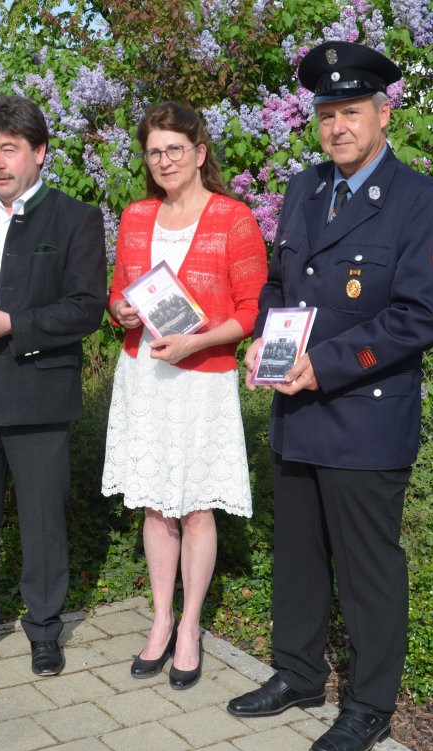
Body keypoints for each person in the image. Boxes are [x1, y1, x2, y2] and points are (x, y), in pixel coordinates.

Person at [226, 42, 433, 751]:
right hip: (296, 412)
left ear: (381, 114)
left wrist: (320, 367)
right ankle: (297, 675)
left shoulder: (422, 200)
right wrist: (264, 346)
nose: (337, 127)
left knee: (366, 570)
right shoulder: (303, 190)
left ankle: (368, 706)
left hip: (363, 413)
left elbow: (423, 316)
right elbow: (276, 286)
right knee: (296, 556)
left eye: (350, 112)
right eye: (326, 114)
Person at [0, 95, 107, 675]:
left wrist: (18, 325)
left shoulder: (74, 218)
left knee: (41, 518)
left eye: (9, 149)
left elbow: (86, 308)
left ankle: (43, 630)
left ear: (39, 153)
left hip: (36, 391)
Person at [101, 102, 268, 690]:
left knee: (196, 507)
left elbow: (250, 313)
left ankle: (191, 628)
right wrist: (118, 308)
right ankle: (160, 619)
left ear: (199, 153)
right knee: (154, 505)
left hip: (201, 378)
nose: (164, 160)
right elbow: (122, 299)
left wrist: (196, 344)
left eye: (175, 149)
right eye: (154, 151)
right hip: (145, 376)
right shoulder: (136, 215)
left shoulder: (233, 218)